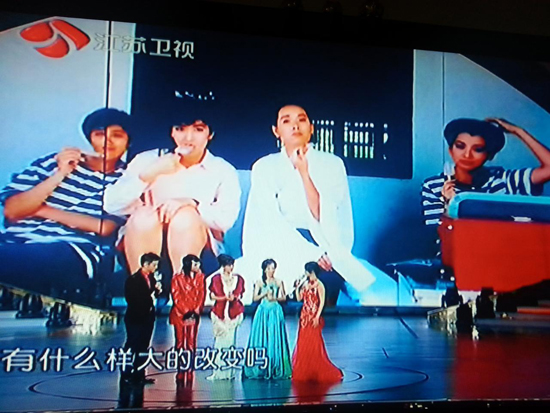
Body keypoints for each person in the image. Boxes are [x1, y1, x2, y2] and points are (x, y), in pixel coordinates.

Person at [237, 104, 391, 306]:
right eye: (286, 121)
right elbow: (267, 218)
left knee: (329, 286)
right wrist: (310, 254)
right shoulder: (264, 166)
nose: (295, 126)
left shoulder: (333, 164)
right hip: (277, 243)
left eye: (301, 120)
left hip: (323, 242)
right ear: (276, 131)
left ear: (311, 128)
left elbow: (326, 214)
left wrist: (304, 173)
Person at [0, 108, 131, 303]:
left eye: (117, 135)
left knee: (45, 257)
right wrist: (61, 174)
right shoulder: (52, 163)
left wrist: (40, 210)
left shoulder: (127, 178)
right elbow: (12, 211)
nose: (107, 141)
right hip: (13, 242)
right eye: (99, 134)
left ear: (129, 141)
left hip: (71, 248)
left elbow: (104, 227)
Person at [104, 117, 241, 276]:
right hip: (142, 245)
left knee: (185, 216)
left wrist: (193, 204)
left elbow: (226, 219)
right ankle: (143, 285)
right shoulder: (147, 160)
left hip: (199, 253)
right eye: (180, 129)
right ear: (172, 132)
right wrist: (148, 175)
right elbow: (111, 205)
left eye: (198, 130)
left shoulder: (222, 169)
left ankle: (184, 287)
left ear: (210, 134)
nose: (188, 138)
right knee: (144, 215)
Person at [422, 118, 550, 228]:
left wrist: (518, 131)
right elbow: (437, 233)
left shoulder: (504, 180)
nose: (467, 155)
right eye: (460, 146)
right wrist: (450, 206)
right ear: (450, 150)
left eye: (478, 149)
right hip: (457, 248)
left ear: (489, 155)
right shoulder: (434, 186)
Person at [292, 262, 343, 383]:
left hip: (313, 315)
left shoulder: (319, 285)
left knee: (314, 341)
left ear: (312, 272)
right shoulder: (306, 284)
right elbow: (299, 298)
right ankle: (305, 368)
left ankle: (315, 367)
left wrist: (317, 316)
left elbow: (322, 302)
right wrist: (297, 287)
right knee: (303, 341)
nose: (305, 273)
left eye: (307, 271)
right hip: (304, 316)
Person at [243, 258, 292, 380]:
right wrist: (264, 294)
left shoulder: (279, 282)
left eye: (273, 268)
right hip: (263, 311)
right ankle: (261, 366)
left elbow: (284, 298)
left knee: (275, 337)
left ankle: (275, 366)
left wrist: (274, 298)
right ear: (264, 269)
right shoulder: (259, 282)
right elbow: (254, 298)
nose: (271, 271)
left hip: (275, 311)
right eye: (269, 268)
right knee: (261, 336)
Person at [123, 252, 162, 384]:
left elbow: (152, 295)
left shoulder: (152, 278)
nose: (156, 268)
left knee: (144, 346)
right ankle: (127, 374)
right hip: (135, 317)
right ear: (146, 264)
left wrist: (157, 291)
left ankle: (140, 374)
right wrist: (149, 295)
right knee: (132, 345)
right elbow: (132, 299)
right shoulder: (133, 280)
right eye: (154, 265)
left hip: (148, 318)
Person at [207, 254, 245, 380]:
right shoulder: (216, 279)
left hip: (233, 314)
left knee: (231, 342)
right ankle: (219, 372)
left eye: (232, 265)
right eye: (229, 265)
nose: (231, 267)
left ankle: (229, 373)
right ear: (223, 266)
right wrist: (224, 298)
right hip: (220, 314)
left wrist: (234, 297)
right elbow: (212, 296)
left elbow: (240, 294)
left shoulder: (238, 279)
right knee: (220, 343)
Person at [169, 254, 206, 383]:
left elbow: (202, 294)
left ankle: (190, 369)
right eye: (195, 264)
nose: (198, 266)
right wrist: (185, 311)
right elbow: (176, 296)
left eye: (198, 263)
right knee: (180, 342)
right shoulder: (177, 278)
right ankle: (180, 368)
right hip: (180, 314)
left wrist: (196, 310)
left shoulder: (201, 277)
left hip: (194, 314)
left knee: (191, 342)